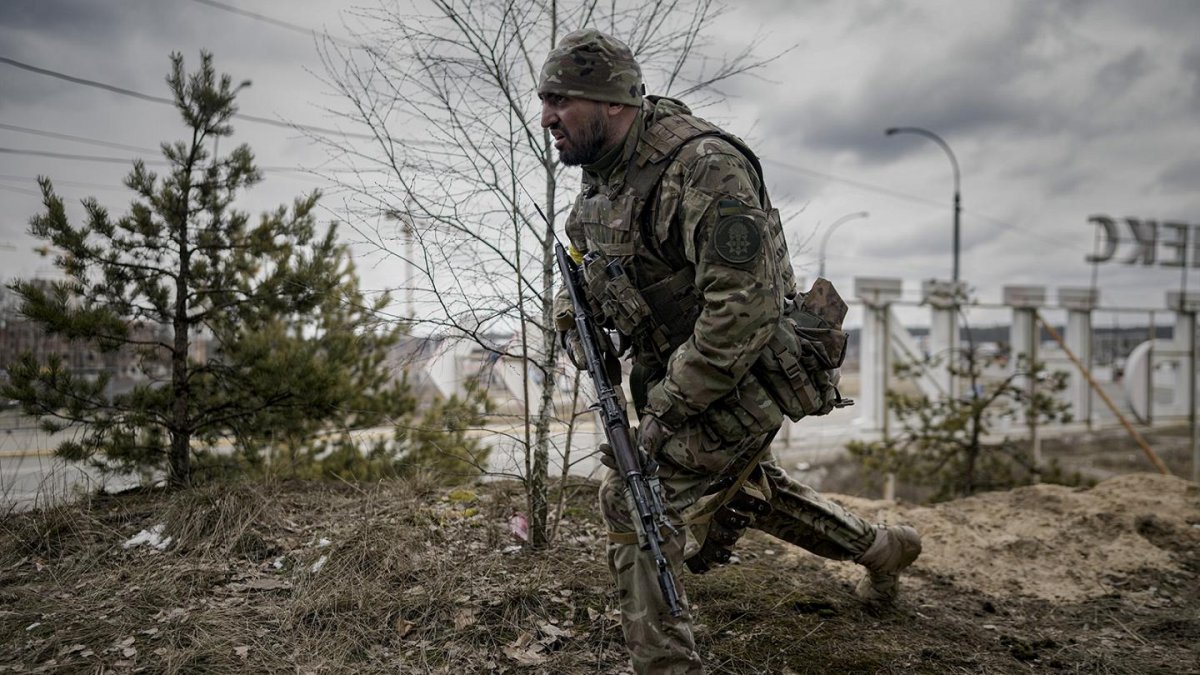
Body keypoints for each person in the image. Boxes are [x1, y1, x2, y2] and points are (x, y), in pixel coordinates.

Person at [540, 29, 922, 673]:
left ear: (612, 102)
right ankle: (884, 549)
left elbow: (743, 311)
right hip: (690, 376)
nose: (547, 116)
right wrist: (570, 325)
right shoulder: (602, 177)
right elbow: (578, 262)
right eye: (544, 100)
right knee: (748, 491)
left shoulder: (703, 167)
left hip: (745, 374)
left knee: (635, 502)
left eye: (561, 100)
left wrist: (663, 411)